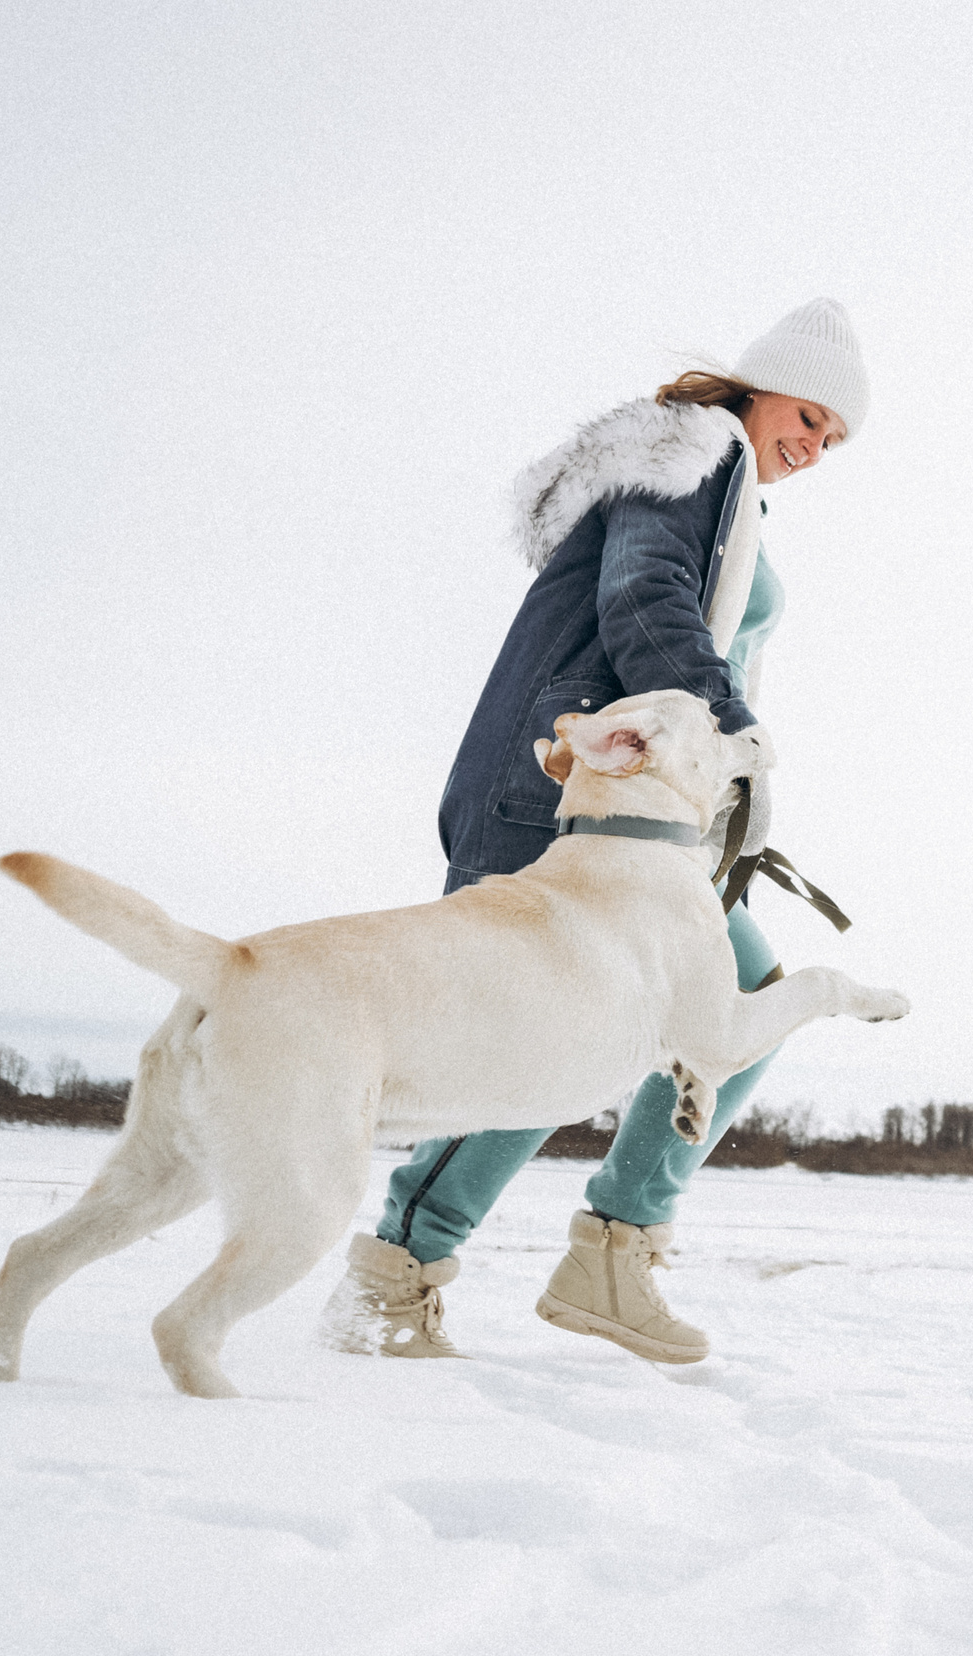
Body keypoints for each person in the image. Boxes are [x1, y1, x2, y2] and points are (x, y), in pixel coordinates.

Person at [321, 298, 868, 1367]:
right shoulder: (692, 456)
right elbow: (643, 600)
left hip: (653, 819)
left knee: (740, 1010)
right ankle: (396, 1274)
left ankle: (611, 1252)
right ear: (757, 388)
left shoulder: (733, 492)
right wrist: (730, 730)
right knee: (539, 1044)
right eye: (809, 415)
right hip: (566, 783)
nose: (815, 445)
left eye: (835, 439)